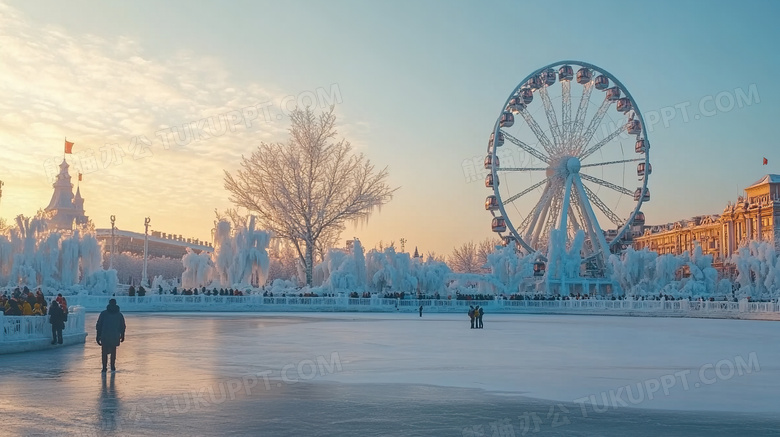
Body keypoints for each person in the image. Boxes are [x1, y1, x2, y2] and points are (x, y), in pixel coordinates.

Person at [96, 298, 126, 372]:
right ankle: (112, 366)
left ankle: (104, 367)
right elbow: (122, 326)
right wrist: (122, 335)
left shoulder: (103, 314)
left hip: (105, 335)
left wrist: (98, 336)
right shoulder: (119, 314)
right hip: (115, 335)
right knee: (113, 351)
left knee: (104, 352)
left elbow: (99, 325)